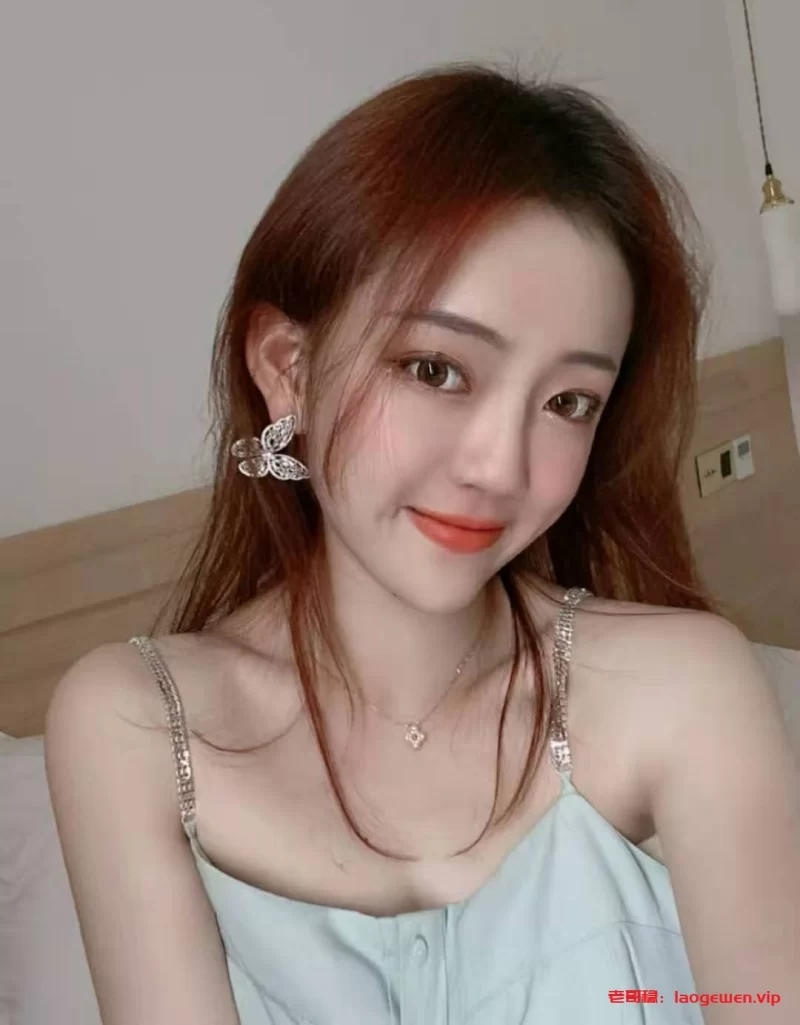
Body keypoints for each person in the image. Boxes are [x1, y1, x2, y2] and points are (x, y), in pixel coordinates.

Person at [44, 61, 799, 1025]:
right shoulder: (138, 728)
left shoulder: (685, 689)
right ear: (289, 369)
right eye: (436, 369)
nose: (498, 465)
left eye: (569, 401)